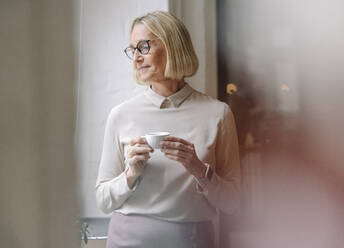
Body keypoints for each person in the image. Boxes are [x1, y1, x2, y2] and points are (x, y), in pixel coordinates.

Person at [96, 11, 240, 248]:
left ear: (172, 45)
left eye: (143, 47)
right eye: (133, 50)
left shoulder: (218, 114)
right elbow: (103, 200)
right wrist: (130, 174)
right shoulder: (121, 115)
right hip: (126, 241)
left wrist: (199, 170)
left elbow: (234, 202)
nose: (136, 59)